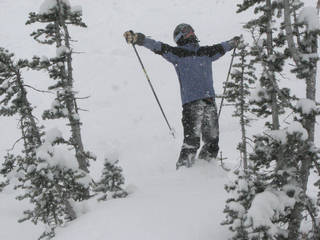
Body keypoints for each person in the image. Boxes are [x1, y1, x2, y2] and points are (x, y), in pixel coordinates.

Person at [124, 23, 239, 169]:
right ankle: (183, 174)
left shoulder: (206, 52)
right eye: (187, 31)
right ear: (180, 37)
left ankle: (204, 172)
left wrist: (233, 43)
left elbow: (222, 47)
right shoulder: (177, 53)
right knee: (192, 142)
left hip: (209, 101)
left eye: (191, 30)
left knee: (212, 142)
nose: (191, 32)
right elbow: (157, 46)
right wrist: (138, 39)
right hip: (191, 103)